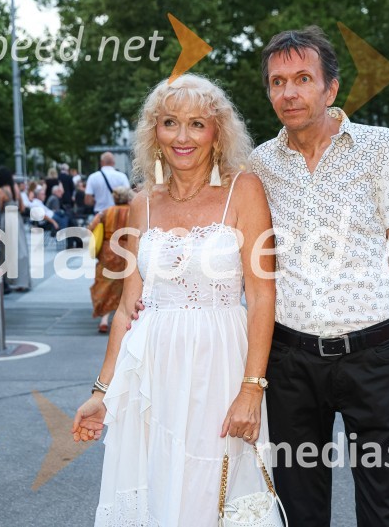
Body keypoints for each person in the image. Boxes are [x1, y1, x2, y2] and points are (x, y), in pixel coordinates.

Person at [250, 26, 389, 526]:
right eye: (277, 82)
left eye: (302, 78)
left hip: (374, 355)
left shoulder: (379, 147)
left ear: (330, 88)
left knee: (385, 505)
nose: (289, 93)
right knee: (298, 506)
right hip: (290, 360)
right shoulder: (260, 164)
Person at [72, 74, 275, 526]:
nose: (182, 137)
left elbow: (263, 297)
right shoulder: (142, 204)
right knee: (159, 490)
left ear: (217, 133)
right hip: (153, 373)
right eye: (170, 123)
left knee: (211, 491)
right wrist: (101, 394)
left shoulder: (244, 190)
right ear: (154, 132)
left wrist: (252, 388)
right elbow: (127, 309)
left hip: (220, 367)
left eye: (197, 124)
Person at [88, 186, 135, 333]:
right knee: (127, 285)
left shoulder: (105, 213)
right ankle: (128, 319)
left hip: (108, 252)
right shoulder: (133, 212)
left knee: (106, 285)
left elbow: (91, 228)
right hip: (129, 250)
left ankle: (104, 319)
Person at [0, 166, 31, 292]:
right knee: (20, 248)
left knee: (6, 249)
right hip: (17, 218)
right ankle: (22, 281)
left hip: (6, 219)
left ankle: (6, 279)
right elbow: (22, 207)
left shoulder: (1, 191)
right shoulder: (16, 188)